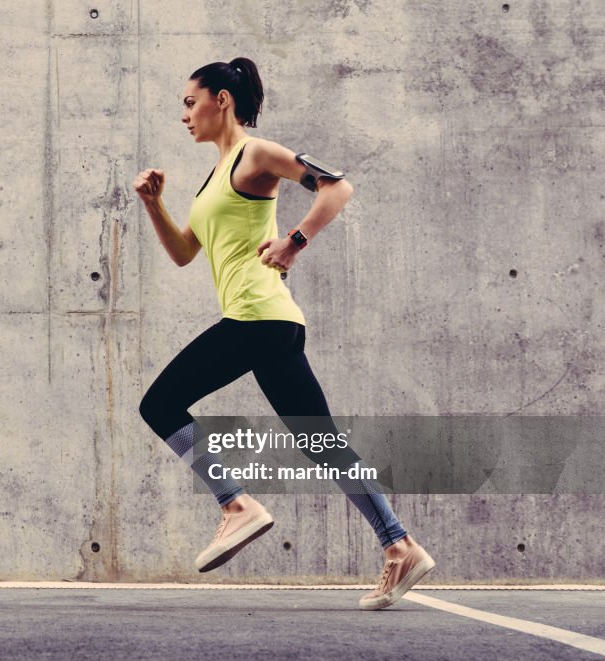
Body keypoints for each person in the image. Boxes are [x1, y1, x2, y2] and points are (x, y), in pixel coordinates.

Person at [133, 57, 435, 610]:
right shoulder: (214, 178)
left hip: (257, 317)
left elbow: (337, 188)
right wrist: (154, 204)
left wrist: (294, 240)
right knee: (323, 445)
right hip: (268, 324)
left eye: (189, 101)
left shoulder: (256, 154)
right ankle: (400, 545)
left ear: (221, 99)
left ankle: (236, 506)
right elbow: (182, 254)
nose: (184, 114)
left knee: (160, 404)